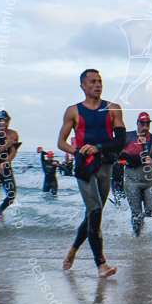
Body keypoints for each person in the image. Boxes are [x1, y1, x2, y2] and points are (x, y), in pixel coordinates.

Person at [58, 69, 125, 278]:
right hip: (85, 168)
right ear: (83, 86)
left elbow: (120, 140)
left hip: (106, 165)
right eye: (93, 81)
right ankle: (101, 264)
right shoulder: (73, 111)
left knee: (93, 215)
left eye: (100, 81)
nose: (98, 85)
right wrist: (76, 151)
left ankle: (74, 249)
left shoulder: (113, 108)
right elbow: (60, 142)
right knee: (95, 211)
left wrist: (97, 147)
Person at [121, 111, 152, 236]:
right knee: (136, 213)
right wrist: (139, 160)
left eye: (147, 124)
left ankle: (142, 220)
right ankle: (138, 239)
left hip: (148, 181)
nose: (145, 127)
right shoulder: (128, 137)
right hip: (131, 180)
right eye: (142, 124)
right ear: (137, 123)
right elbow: (119, 154)